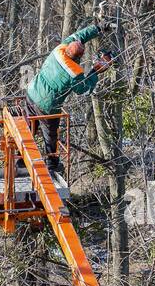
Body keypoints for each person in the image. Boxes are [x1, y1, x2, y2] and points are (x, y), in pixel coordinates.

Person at [25, 22, 113, 175]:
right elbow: (84, 90)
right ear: (79, 57)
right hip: (48, 106)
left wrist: (98, 28)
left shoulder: (59, 49)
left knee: (28, 130)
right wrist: (95, 70)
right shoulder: (74, 72)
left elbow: (79, 36)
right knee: (50, 135)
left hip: (32, 92)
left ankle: (20, 159)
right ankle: (52, 165)